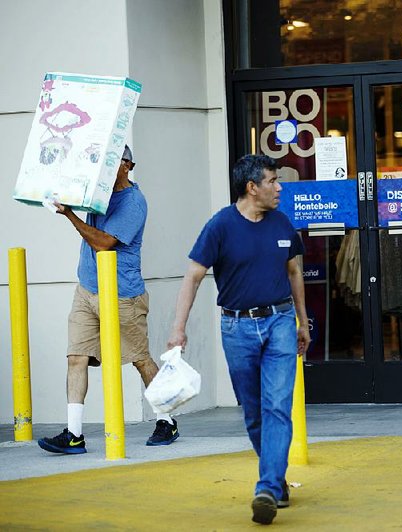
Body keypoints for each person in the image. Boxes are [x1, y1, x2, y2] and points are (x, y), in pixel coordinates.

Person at [167, 154, 310, 525]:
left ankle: (265, 486)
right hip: (237, 328)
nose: (279, 187)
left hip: (279, 321)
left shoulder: (281, 222)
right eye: (272, 180)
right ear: (252, 187)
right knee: (254, 412)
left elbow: (294, 272)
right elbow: (193, 276)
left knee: (278, 406)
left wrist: (303, 321)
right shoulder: (220, 226)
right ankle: (276, 480)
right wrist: (178, 329)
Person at [38, 145, 179, 454]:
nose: (102, 167)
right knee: (76, 357)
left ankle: (166, 420)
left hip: (123, 295)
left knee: (140, 359)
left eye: (111, 162)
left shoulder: (134, 202)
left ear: (127, 165)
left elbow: (104, 244)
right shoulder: (98, 193)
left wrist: (70, 216)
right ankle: (74, 433)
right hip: (87, 289)